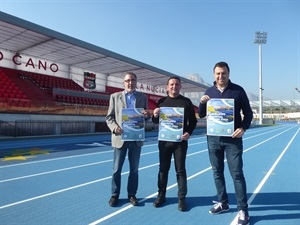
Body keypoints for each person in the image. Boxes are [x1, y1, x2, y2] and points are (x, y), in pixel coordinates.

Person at [198, 62, 253, 225]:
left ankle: (243, 209)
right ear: (213, 75)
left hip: (233, 140)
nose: (220, 76)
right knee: (217, 172)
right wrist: (201, 103)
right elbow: (201, 115)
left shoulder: (238, 90)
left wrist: (243, 128)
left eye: (223, 73)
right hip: (213, 139)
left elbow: (248, 113)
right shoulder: (209, 92)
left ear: (229, 73)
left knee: (236, 174)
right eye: (218, 74)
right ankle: (223, 202)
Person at [152, 76, 197, 212]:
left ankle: (182, 199)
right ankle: (161, 195)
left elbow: (193, 122)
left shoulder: (186, 102)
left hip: (180, 143)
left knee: (180, 170)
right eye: (171, 84)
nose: (174, 86)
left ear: (180, 86)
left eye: (177, 84)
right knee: (163, 170)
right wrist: (155, 115)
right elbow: (156, 122)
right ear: (167, 87)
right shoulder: (161, 102)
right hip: (164, 142)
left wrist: (188, 132)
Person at [106, 72, 149, 207]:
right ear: (123, 82)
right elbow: (109, 117)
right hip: (120, 138)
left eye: (133, 80)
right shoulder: (114, 97)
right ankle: (115, 195)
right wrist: (115, 128)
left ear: (136, 82)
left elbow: (146, 117)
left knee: (134, 170)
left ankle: (132, 194)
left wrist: (147, 115)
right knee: (116, 169)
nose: (130, 83)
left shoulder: (143, 97)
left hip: (135, 139)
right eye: (127, 81)